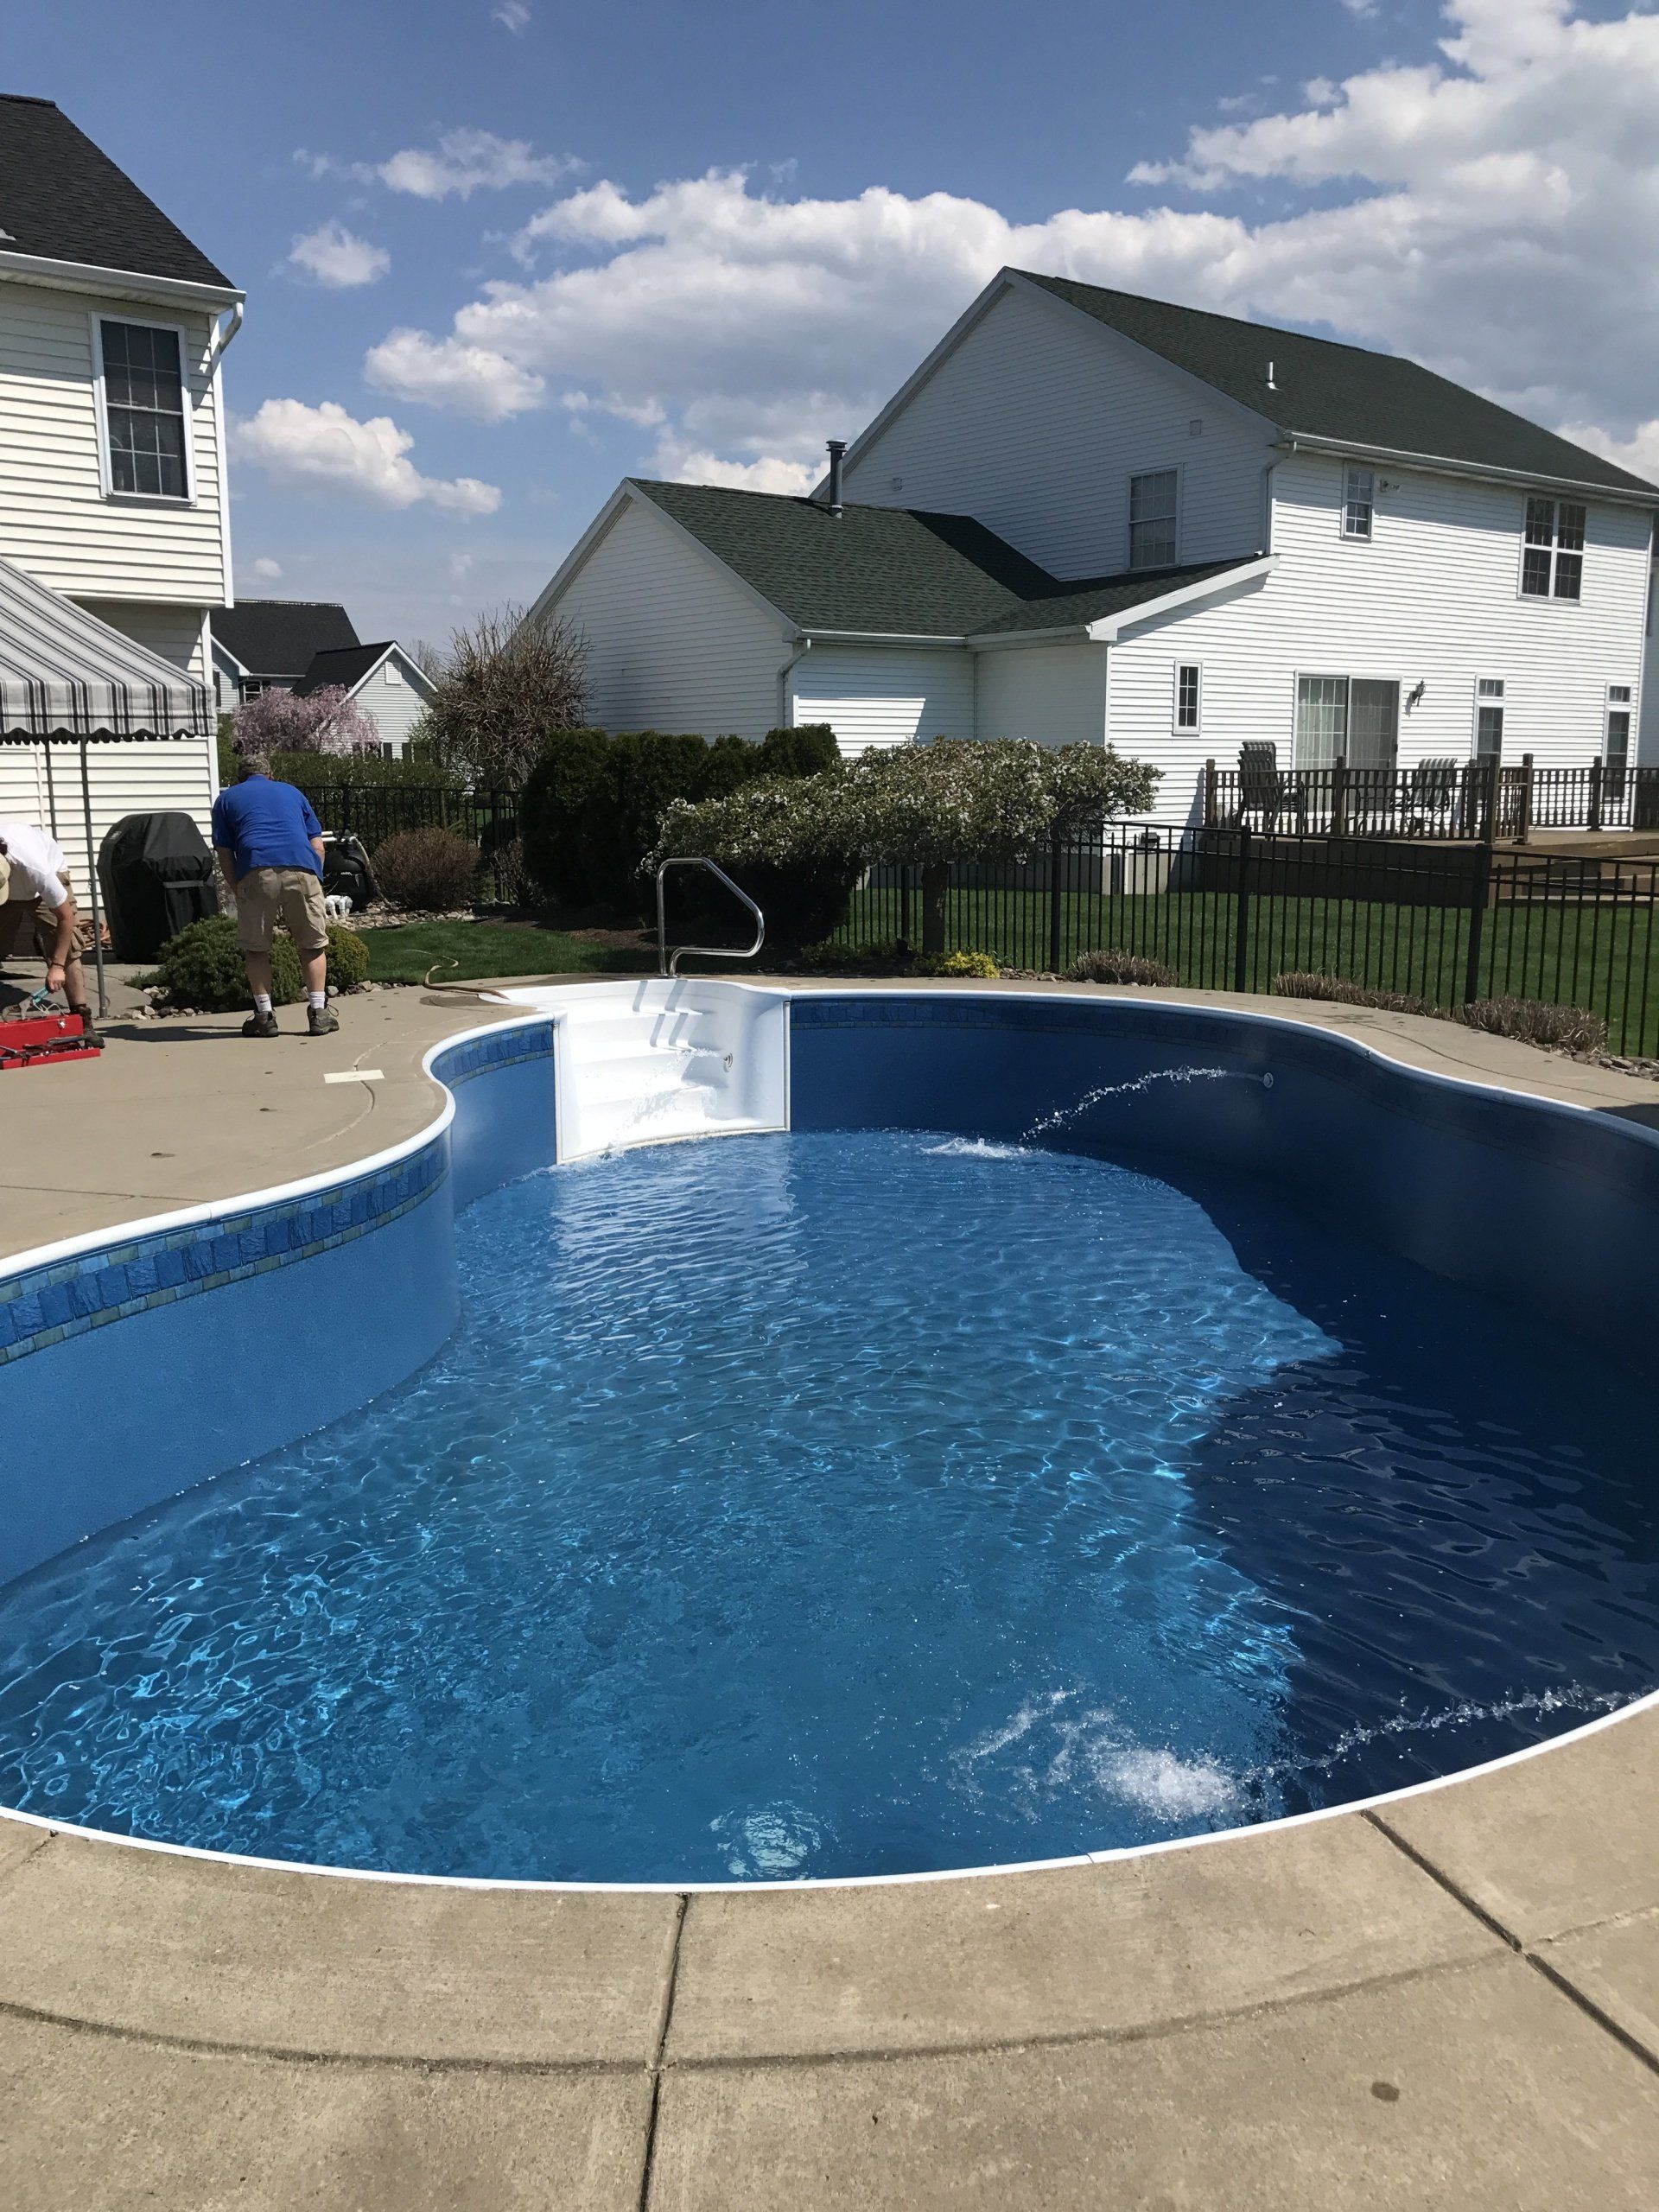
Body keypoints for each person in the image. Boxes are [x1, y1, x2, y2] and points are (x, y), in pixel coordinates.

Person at [211, 752, 339, 1038]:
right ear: (270, 775)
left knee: (256, 949)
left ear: (239, 779)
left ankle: (265, 1017)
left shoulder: (227, 799)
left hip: (256, 870)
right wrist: (314, 878)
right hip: (302, 868)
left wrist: (237, 887)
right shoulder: (292, 792)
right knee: (313, 945)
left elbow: (225, 853)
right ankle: (319, 1013)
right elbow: (318, 846)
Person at [0, 820, 99, 1041]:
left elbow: (66, 918)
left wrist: (57, 967)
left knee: (67, 946)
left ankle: (82, 1020)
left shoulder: (37, 868)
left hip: (46, 880)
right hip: (15, 884)